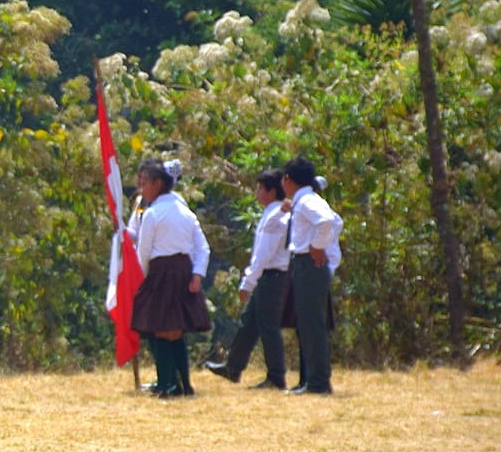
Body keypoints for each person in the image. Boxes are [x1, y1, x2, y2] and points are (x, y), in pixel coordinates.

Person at [131, 158, 211, 399]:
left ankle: (167, 384)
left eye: (144, 183)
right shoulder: (186, 213)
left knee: (161, 328)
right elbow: (203, 248)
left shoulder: (153, 214)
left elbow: (144, 252)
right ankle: (183, 384)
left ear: (157, 184)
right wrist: (197, 273)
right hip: (184, 270)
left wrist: (140, 280)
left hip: (161, 271)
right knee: (176, 330)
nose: (141, 188)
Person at [204, 169, 290, 390]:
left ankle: (276, 376)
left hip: (272, 276)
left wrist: (247, 283)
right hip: (270, 276)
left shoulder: (275, 217)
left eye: (260, 188)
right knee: (249, 323)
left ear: (271, 192)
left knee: (268, 327)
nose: (256, 192)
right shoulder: (274, 214)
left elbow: (263, 255)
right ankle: (233, 367)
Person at [280, 156, 343, 396]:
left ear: (288, 180)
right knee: (307, 323)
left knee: (313, 325)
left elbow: (328, 221)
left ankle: (318, 382)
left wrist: (317, 246)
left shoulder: (307, 200)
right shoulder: (303, 200)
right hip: (304, 263)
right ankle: (313, 380)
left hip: (309, 263)